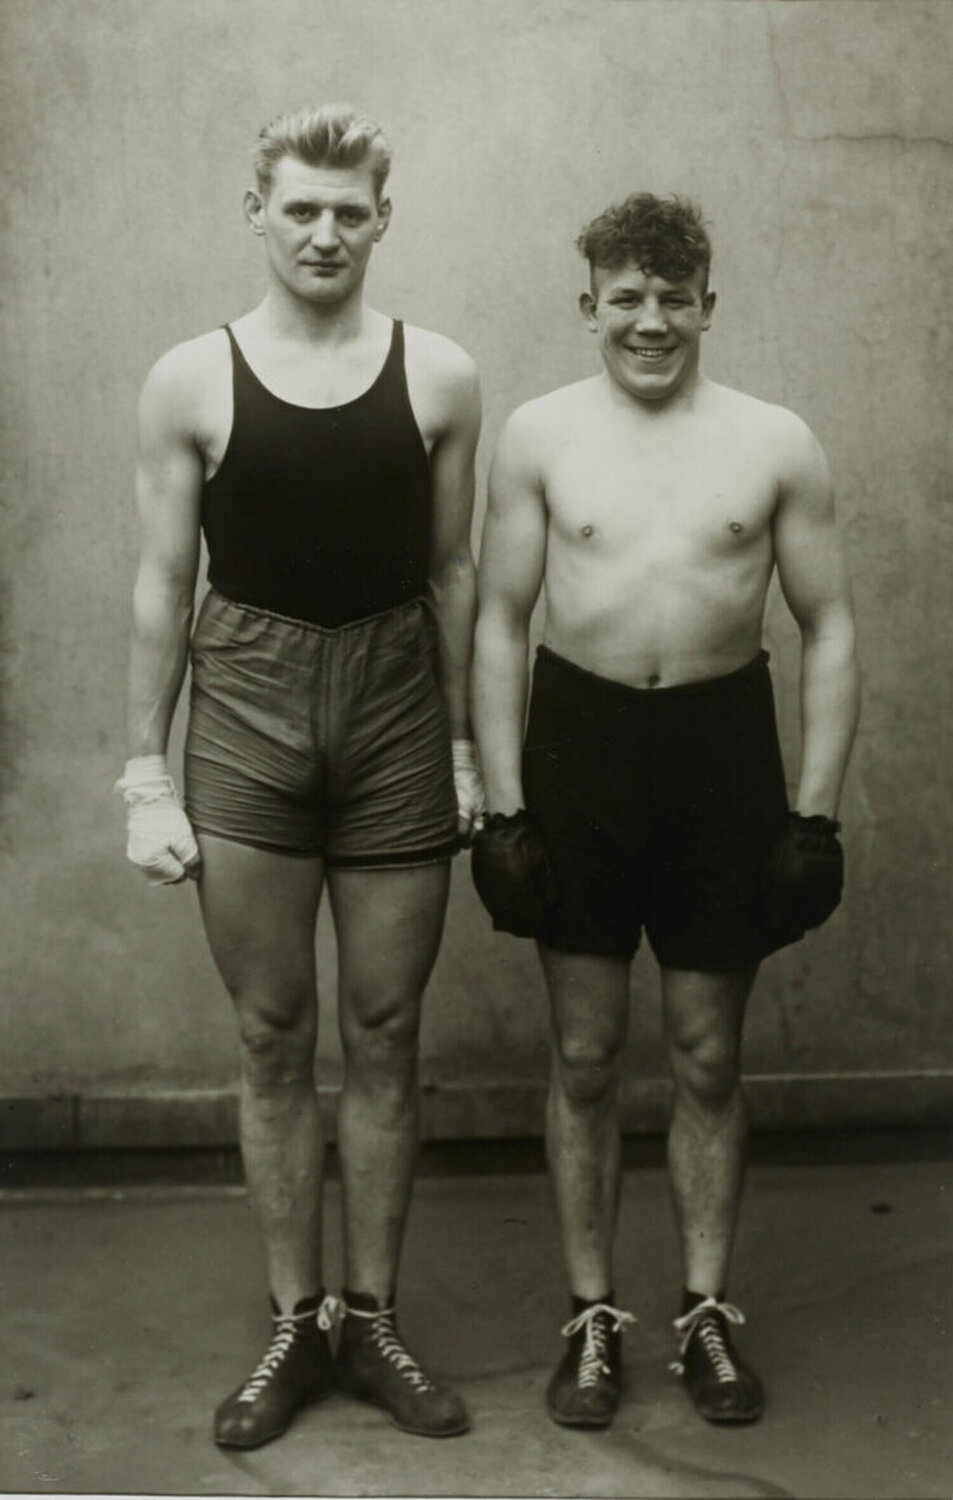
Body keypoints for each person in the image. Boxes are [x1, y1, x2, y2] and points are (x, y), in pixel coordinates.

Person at [118, 103, 484, 1448]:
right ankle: (292, 1320)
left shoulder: (439, 375)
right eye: (301, 209)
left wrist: (466, 747)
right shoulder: (190, 380)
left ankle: (369, 1319)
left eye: (349, 212)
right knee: (273, 1033)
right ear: (257, 213)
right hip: (249, 710)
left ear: (382, 221)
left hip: (393, 712)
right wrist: (142, 773)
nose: (325, 233)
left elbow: (453, 574)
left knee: (385, 1030)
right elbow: (164, 584)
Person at [471, 193, 859, 1430]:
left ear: (707, 304)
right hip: (577, 751)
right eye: (625, 298)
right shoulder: (537, 435)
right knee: (584, 1055)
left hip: (717, 755)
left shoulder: (773, 441)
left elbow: (828, 626)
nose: (649, 321)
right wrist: (501, 808)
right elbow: (497, 622)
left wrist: (813, 817)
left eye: (672, 298)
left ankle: (702, 1314)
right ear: (587, 303)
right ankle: (589, 1316)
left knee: (706, 1054)